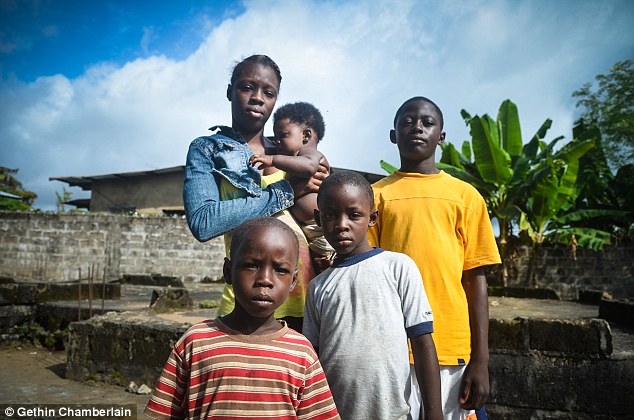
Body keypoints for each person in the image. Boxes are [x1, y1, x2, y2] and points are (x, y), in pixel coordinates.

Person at [368, 96, 501, 420]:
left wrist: (480, 360)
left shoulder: (466, 197)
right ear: (393, 134)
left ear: (441, 136)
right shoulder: (375, 195)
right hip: (391, 344)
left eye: (427, 123)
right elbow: (366, 271)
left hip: (450, 345)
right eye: (407, 121)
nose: (417, 127)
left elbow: (475, 280)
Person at [145, 217, 340, 419]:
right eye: (252, 265)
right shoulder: (195, 341)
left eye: (280, 270)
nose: (265, 279)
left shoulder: (301, 352)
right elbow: (162, 413)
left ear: (293, 281)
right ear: (228, 272)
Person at [183, 55, 324, 331]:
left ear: (275, 100)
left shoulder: (293, 153)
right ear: (229, 91)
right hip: (243, 304)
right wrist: (285, 191)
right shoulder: (207, 149)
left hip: (307, 301)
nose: (258, 98)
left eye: (268, 92)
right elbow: (204, 221)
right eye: (247, 87)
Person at [302, 170, 443, 420]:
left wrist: (434, 412)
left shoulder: (398, 267)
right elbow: (313, 359)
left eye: (354, 215)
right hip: (335, 413)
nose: (342, 224)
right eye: (330, 215)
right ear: (318, 218)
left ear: (372, 217)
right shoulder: (318, 287)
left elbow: (422, 343)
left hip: (393, 413)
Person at [250, 101, 335, 270]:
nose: (276, 142)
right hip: (309, 230)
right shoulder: (293, 162)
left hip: (320, 228)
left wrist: (272, 159)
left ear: (306, 135)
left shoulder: (309, 154)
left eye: (282, 135)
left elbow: (308, 166)